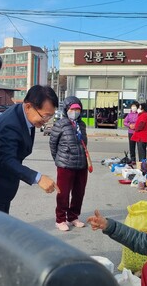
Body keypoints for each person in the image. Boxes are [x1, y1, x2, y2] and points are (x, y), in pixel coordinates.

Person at [0, 85, 60, 214]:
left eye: (50, 117)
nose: (46, 121)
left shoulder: (24, 116)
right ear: (28, 107)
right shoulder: (10, 124)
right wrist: (38, 178)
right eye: (45, 116)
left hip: (5, 183)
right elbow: (8, 160)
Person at [49, 97, 90, 232]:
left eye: (77, 109)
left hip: (81, 164)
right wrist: (58, 159)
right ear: (67, 110)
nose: (75, 111)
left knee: (79, 193)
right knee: (63, 193)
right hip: (65, 164)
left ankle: (73, 216)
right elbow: (53, 144)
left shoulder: (82, 125)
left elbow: (84, 143)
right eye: (72, 109)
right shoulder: (60, 124)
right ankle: (60, 219)